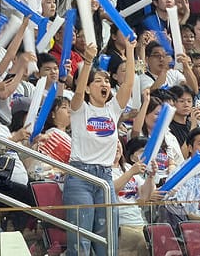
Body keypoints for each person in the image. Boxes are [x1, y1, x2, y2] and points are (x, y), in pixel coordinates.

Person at [64, 38, 135, 256]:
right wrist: (87, 62)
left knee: (108, 240)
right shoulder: (80, 109)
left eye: (106, 81)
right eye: (98, 81)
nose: (104, 84)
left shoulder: (113, 109)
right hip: (80, 177)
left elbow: (128, 84)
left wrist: (130, 51)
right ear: (87, 88)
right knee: (81, 241)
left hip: (105, 177)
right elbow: (77, 93)